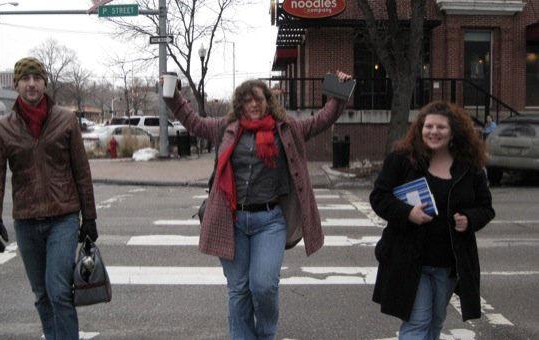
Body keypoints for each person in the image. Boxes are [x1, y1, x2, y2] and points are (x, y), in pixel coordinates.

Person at [163, 71, 351, 339]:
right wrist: (173, 94)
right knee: (238, 289)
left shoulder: (286, 129)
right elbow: (192, 122)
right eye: (248, 100)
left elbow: (322, 120)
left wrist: (339, 93)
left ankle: (265, 334)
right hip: (232, 220)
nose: (254, 104)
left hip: (270, 221)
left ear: (268, 102)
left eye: (259, 99)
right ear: (240, 103)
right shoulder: (226, 128)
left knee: (263, 286)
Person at [0, 57, 98, 340]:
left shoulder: (65, 119)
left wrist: (90, 216)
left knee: (58, 290)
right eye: (25, 78)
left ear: (44, 82)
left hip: (64, 217)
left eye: (36, 78)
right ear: (17, 84)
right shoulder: (4, 127)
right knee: (41, 294)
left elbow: (81, 170)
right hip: (26, 221)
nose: (31, 84)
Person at [369, 101, 495, 340]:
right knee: (418, 322)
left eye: (441, 127)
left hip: (449, 263)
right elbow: (379, 197)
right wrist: (408, 213)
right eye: (429, 126)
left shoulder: (469, 166)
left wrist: (469, 219)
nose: (434, 132)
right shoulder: (403, 160)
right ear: (420, 128)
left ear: (453, 131)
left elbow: (486, 208)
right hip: (410, 259)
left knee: (435, 323)